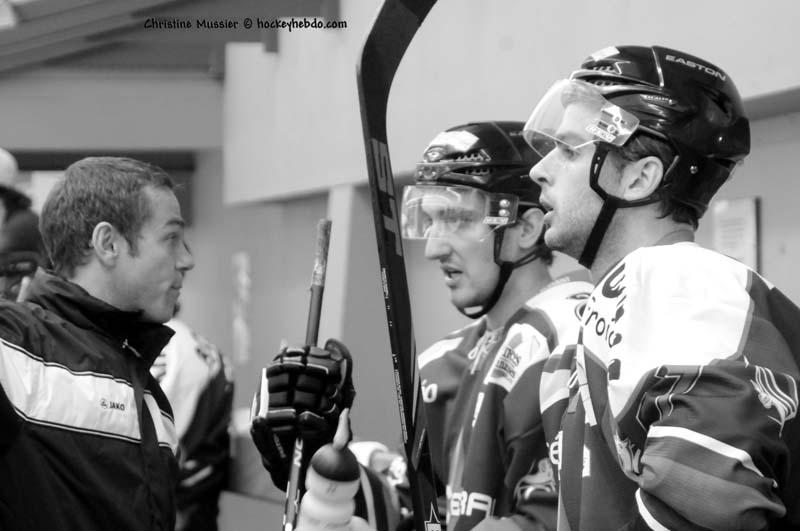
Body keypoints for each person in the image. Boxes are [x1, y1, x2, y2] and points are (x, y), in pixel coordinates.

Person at [252, 121, 592, 531]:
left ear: (525, 228)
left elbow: (561, 520)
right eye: (429, 221)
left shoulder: (569, 339)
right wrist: (324, 466)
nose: (432, 248)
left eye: (456, 219)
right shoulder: (439, 365)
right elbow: (414, 511)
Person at [520, 45, 800, 530]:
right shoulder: (633, 302)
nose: (538, 170)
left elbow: (713, 505)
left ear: (639, 178)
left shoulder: (679, 285)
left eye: (567, 150)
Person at [0, 156, 194, 531]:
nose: (187, 259)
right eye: (172, 238)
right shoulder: (15, 349)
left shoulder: (152, 399)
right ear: (108, 243)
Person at [151, 304, 234, 531]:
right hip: (195, 498)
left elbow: (154, 454)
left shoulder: (162, 350)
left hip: (171, 506)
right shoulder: (204, 348)